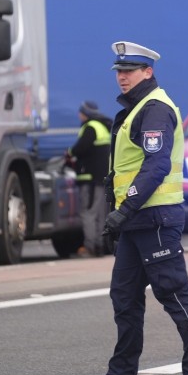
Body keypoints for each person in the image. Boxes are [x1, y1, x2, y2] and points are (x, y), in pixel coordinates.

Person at [78, 41, 188, 375]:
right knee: (124, 299)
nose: (122, 77)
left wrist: (124, 210)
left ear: (148, 72)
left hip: (154, 218)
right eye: (119, 71)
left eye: (130, 70)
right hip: (134, 222)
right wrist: (120, 215)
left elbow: (155, 166)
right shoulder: (133, 109)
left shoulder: (154, 109)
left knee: (175, 297)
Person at [66, 100, 112, 257]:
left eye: (81, 112)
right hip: (102, 177)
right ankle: (100, 247)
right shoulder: (102, 127)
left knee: (88, 213)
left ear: (85, 113)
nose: (79, 115)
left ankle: (90, 247)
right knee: (99, 213)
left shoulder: (90, 127)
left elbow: (80, 148)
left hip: (91, 178)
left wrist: (69, 153)